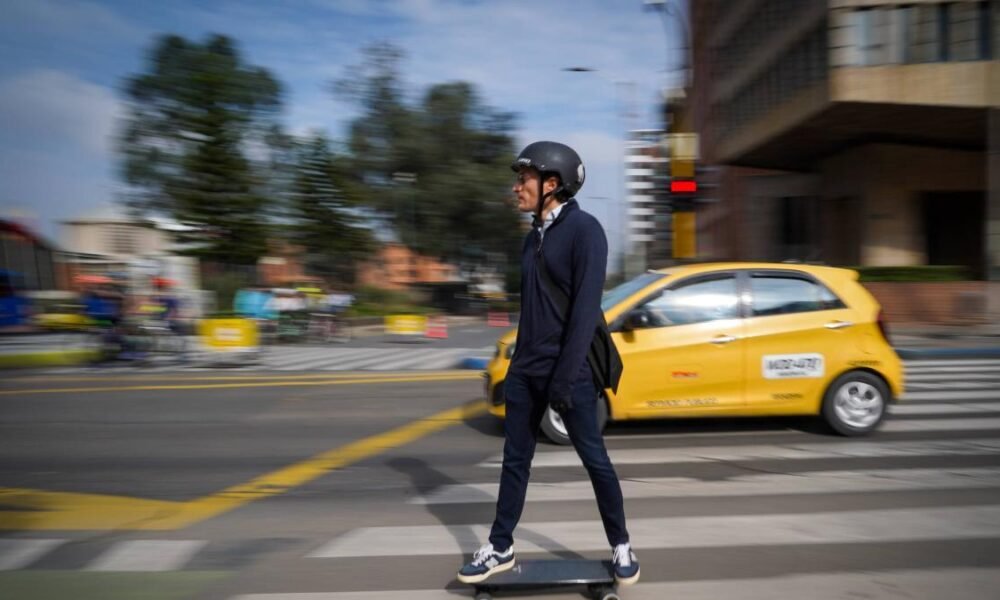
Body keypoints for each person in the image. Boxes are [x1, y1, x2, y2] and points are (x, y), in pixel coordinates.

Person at [457, 141, 639, 585]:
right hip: (527, 370)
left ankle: (621, 544)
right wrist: (519, 365)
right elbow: (534, 308)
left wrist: (565, 378)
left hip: (570, 372)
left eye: (524, 178)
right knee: (515, 460)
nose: (516, 187)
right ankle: (500, 545)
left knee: (594, 458)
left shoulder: (585, 231)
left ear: (552, 184)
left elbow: (583, 314)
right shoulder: (532, 237)